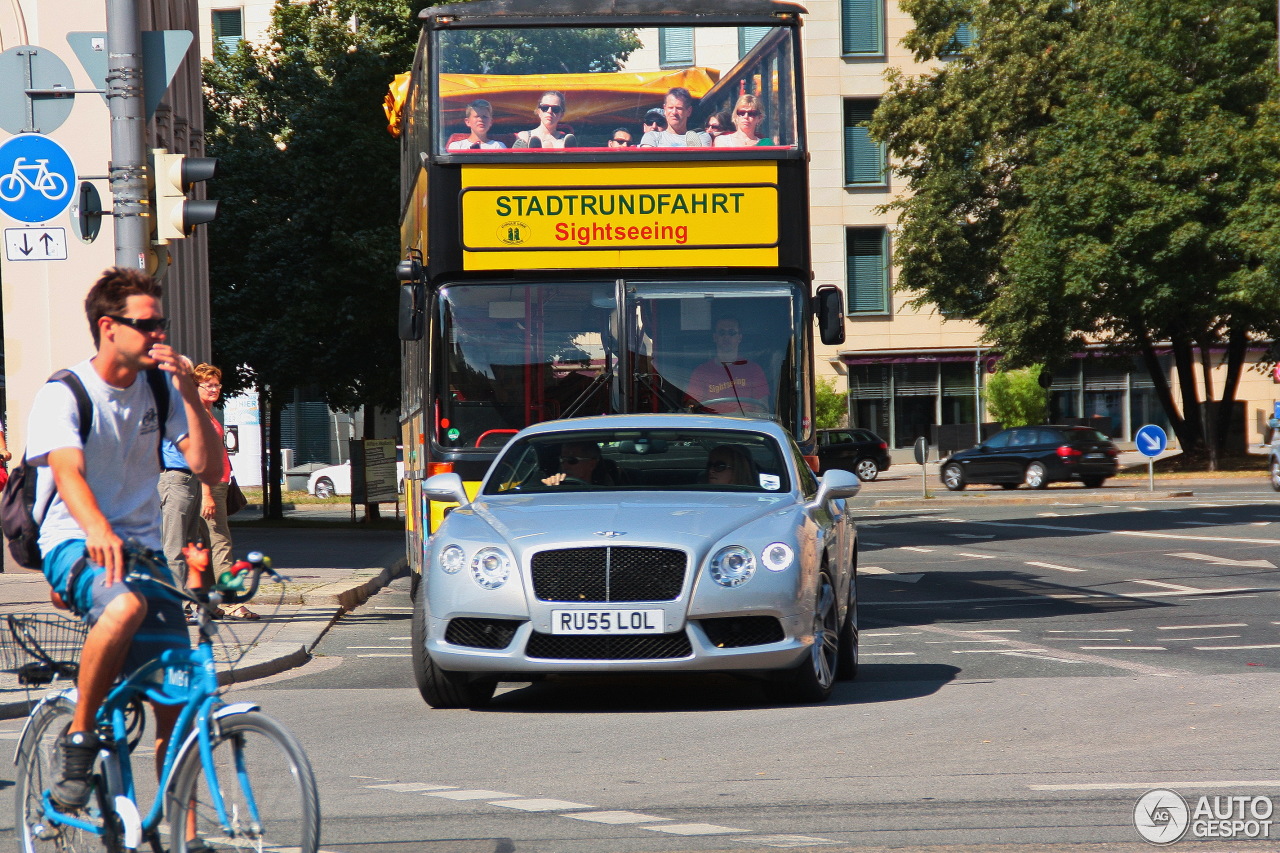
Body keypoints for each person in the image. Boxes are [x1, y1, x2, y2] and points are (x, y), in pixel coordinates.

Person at [25, 267, 223, 810]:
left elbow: (205, 466)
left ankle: (181, 840)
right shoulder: (65, 392)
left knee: (178, 707)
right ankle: (79, 737)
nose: (159, 334)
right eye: (148, 324)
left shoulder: (160, 386)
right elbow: (67, 471)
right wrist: (96, 530)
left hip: (144, 553)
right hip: (74, 543)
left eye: (162, 323)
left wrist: (185, 386)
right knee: (123, 606)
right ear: (109, 327)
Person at [194, 363, 257, 620]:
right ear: (195, 386)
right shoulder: (197, 416)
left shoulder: (209, 414)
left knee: (209, 545)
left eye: (216, 384)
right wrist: (207, 492)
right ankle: (231, 603)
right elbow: (199, 459)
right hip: (209, 486)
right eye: (207, 384)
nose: (214, 389)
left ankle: (209, 604)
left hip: (219, 483)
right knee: (221, 543)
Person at [684, 315, 770, 414]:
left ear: (739, 337)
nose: (726, 337)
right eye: (722, 332)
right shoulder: (701, 371)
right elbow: (691, 407)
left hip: (745, 426)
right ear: (715, 337)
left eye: (731, 333)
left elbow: (762, 408)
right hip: (712, 427)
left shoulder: (754, 370)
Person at [639, 88, 711, 148]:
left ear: (689, 111)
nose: (674, 112)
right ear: (665, 109)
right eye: (670, 108)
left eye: (679, 108)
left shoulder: (700, 137)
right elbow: (648, 162)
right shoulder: (652, 137)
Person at [540, 441, 609, 486]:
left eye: (571, 460)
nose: (565, 466)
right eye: (562, 460)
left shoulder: (608, 493)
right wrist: (550, 489)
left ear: (592, 464)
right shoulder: (554, 486)